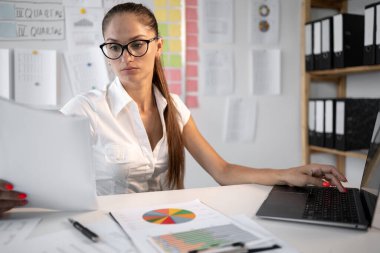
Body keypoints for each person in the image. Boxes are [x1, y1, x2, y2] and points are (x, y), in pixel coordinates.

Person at [0, 2, 347, 214]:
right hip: (106, 234)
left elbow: (223, 171)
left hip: (165, 228)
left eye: (137, 44)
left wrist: (289, 174)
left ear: (158, 46)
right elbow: (36, 172)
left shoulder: (175, 109)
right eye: (114, 47)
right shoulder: (86, 109)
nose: (127, 57)